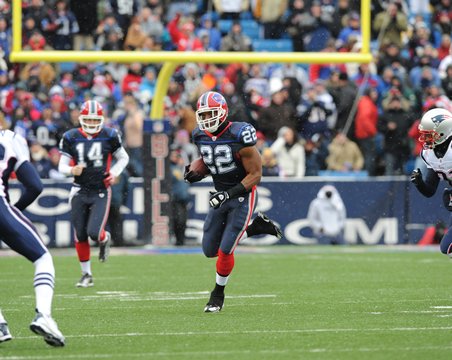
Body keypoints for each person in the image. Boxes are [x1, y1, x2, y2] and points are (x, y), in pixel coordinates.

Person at [184, 91, 283, 313]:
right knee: (210, 250)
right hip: (220, 194)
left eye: (211, 113)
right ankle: (256, 227)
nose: (206, 118)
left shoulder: (240, 134)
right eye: (203, 114)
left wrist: (229, 194)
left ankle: (217, 295)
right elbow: (213, 160)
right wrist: (196, 171)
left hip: (242, 195)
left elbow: (256, 174)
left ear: (223, 112)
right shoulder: (199, 135)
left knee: (226, 250)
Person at [0, 129, 65, 346]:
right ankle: (43, 315)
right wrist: (12, 212)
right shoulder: (10, 138)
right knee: (43, 258)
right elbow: (35, 186)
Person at [58, 100, 129, 288]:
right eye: (87, 119)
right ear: (81, 119)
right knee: (80, 234)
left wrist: (113, 173)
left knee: (94, 232)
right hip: (79, 190)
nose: (91, 123)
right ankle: (86, 274)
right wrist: (71, 170)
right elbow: (61, 166)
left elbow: (123, 157)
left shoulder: (110, 135)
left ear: (101, 119)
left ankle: (105, 239)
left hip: (100, 190)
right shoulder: (70, 136)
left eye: (94, 120)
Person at [411, 107, 452, 256]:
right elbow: (430, 191)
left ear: (443, 132)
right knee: (447, 248)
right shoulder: (429, 154)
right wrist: (419, 183)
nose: (425, 139)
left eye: (429, 135)